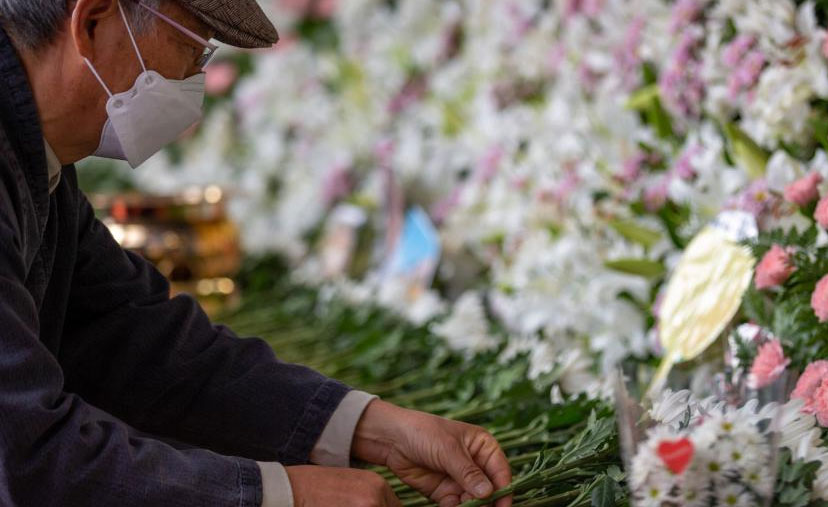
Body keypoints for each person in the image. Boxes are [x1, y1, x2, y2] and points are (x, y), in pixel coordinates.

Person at [0, 0, 512, 505]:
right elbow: (27, 456)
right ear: (91, 23)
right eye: (191, 49)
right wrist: (282, 496)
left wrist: (374, 427)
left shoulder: (40, 162)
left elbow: (135, 339)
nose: (193, 81)